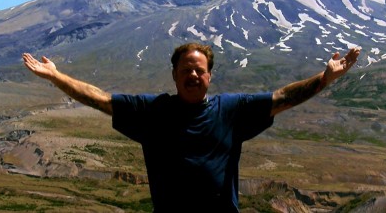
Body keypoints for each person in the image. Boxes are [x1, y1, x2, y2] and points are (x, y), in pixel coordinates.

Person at [22, 43, 360, 212]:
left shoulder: (232, 110)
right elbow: (100, 99)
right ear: (174, 75)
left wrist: (324, 78)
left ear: (210, 76)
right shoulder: (153, 111)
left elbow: (282, 97)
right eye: (186, 69)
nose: (193, 75)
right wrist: (56, 76)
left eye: (199, 70)